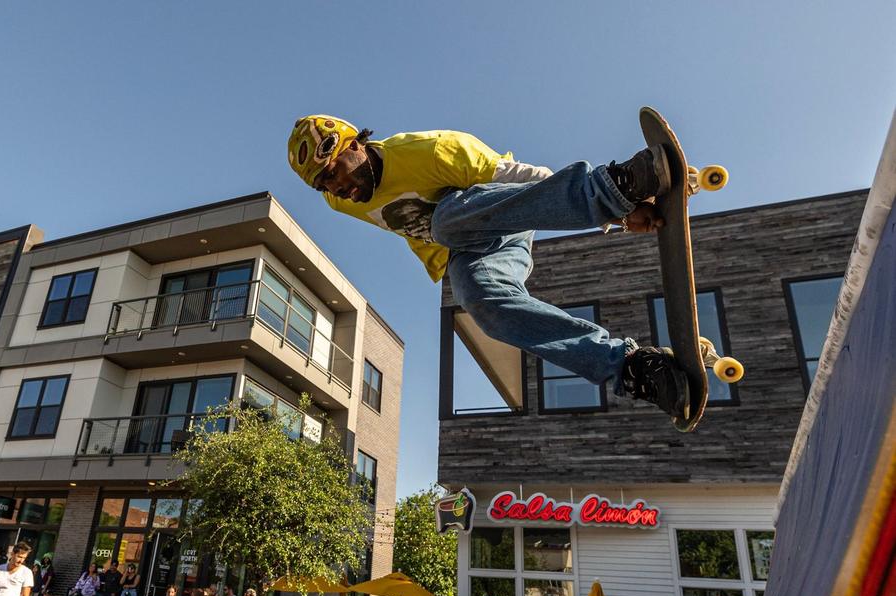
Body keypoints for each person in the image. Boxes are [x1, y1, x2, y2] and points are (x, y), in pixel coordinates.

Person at [287, 116, 692, 422]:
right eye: (322, 186)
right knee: (483, 307)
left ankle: (618, 182)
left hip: (504, 219)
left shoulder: (433, 150)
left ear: (356, 143)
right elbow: (342, 191)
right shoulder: (341, 201)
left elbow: (527, 181)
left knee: (444, 221)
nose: (336, 189)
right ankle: (633, 367)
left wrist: (615, 206)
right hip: (467, 256)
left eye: (334, 173)